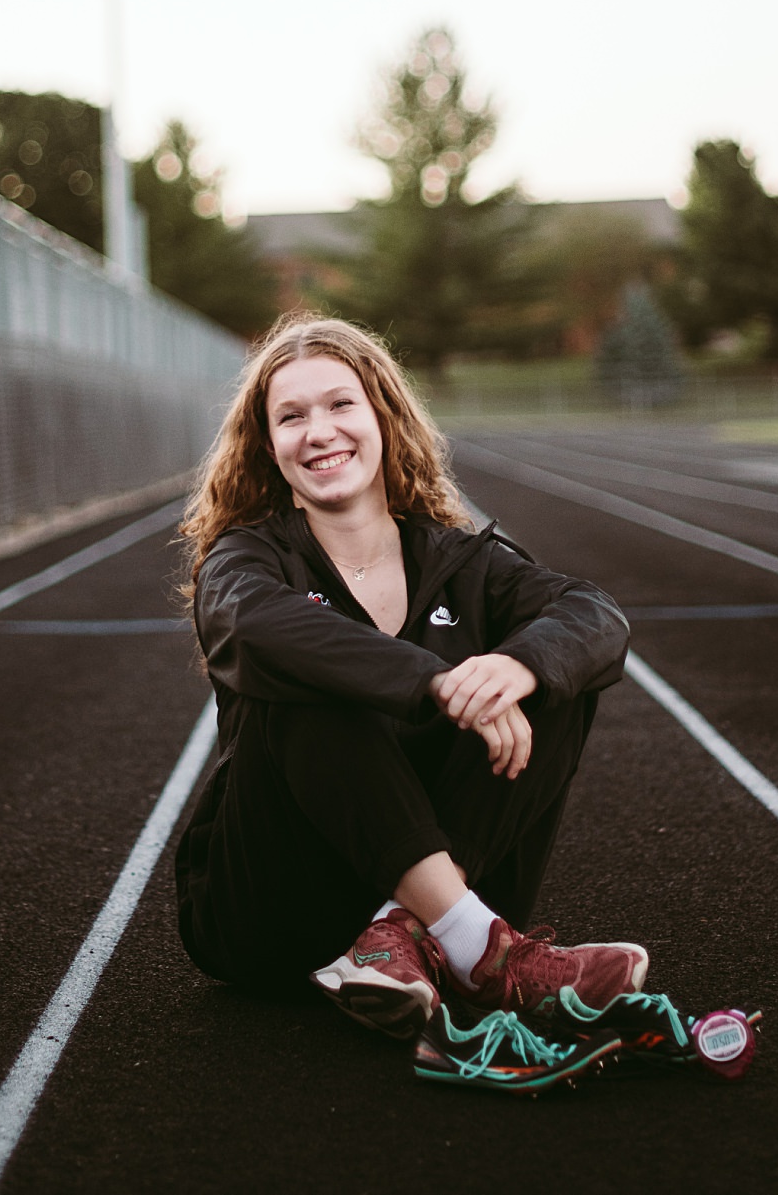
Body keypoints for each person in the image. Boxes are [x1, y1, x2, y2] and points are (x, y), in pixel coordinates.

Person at [174, 314, 646, 1038]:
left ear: (382, 417)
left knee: (544, 669)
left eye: (340, 404)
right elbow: (255, 626)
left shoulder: (460, 560)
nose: (320, 430)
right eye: (292, 416)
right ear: (270, 447)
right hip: (275, 910)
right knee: (307, 672)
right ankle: (480, 948)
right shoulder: (249, 559)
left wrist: (514, 666)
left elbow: (595, 614)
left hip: (427, 907)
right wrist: (433, 678)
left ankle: (402, 935)